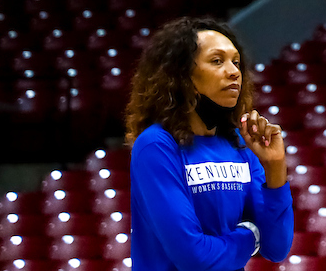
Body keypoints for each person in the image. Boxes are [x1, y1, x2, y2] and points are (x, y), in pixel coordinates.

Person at [125, 16, 293, 270]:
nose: (234, 71)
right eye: (217, 61)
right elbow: (195, 259)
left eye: (236, 62)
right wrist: (251, 235)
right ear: (183, 76)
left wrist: (275, 167)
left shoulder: (239, 144)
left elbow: (278, 247)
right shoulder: (156, 145)